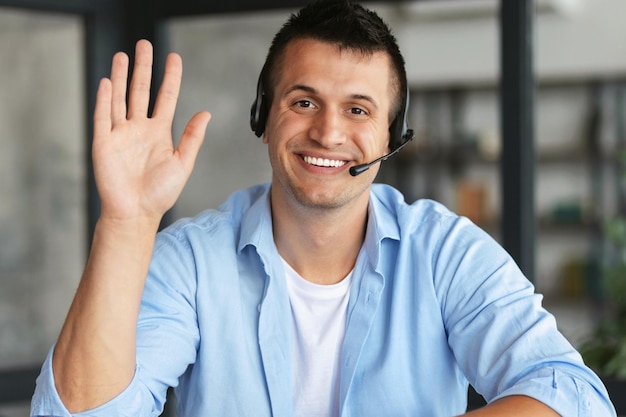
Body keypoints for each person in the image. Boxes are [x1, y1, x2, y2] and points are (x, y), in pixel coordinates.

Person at [31, 1, 616, 416]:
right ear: (264, 116)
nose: (329, 132)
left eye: (359, 109)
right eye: (304, 100)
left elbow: (574, 394)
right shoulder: (191, 259)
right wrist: (126, 223)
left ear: (392, 137)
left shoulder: (444, 252)